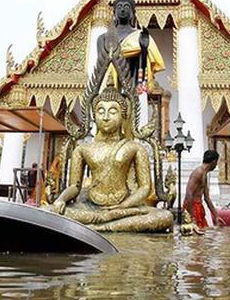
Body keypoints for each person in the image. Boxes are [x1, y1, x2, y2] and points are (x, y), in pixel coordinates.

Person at [48, 82, 173, 232]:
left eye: (113, 112)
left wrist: (123, 206)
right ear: (94, 116)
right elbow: (75, 186)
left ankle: (98, 227)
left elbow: (145, 187)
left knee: (164, 217)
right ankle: (104, 225)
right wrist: (61, 199)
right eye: (101, 111)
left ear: (123, 116)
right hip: (90, 206)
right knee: (48, 210)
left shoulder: (134, 147)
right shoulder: (82, 149)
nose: (106, 117)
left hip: (123, 207)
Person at [183, 150, 226, 228]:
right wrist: (191, 217)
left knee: (202, 234)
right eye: (217, 162)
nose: (216, 165)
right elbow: (189, 194)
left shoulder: (204, 174)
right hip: (192, 207)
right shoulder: (198, 172)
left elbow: (207, 198)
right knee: (195, 236)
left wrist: (216, 216)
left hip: (199, 207)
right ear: (214, 161)